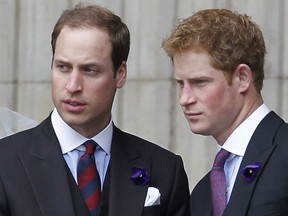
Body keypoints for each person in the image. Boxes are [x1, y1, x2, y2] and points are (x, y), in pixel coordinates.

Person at [0, 3, 190, 216]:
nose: (73, 86)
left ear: (120, 74)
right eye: (63, 67)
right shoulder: (5, 163)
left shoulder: (164, 169)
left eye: (89, 70)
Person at [162, 8, 288, 216]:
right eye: (180, 83)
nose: (185, 99)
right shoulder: (203, 192)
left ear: (243, 78)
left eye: (199, 82)